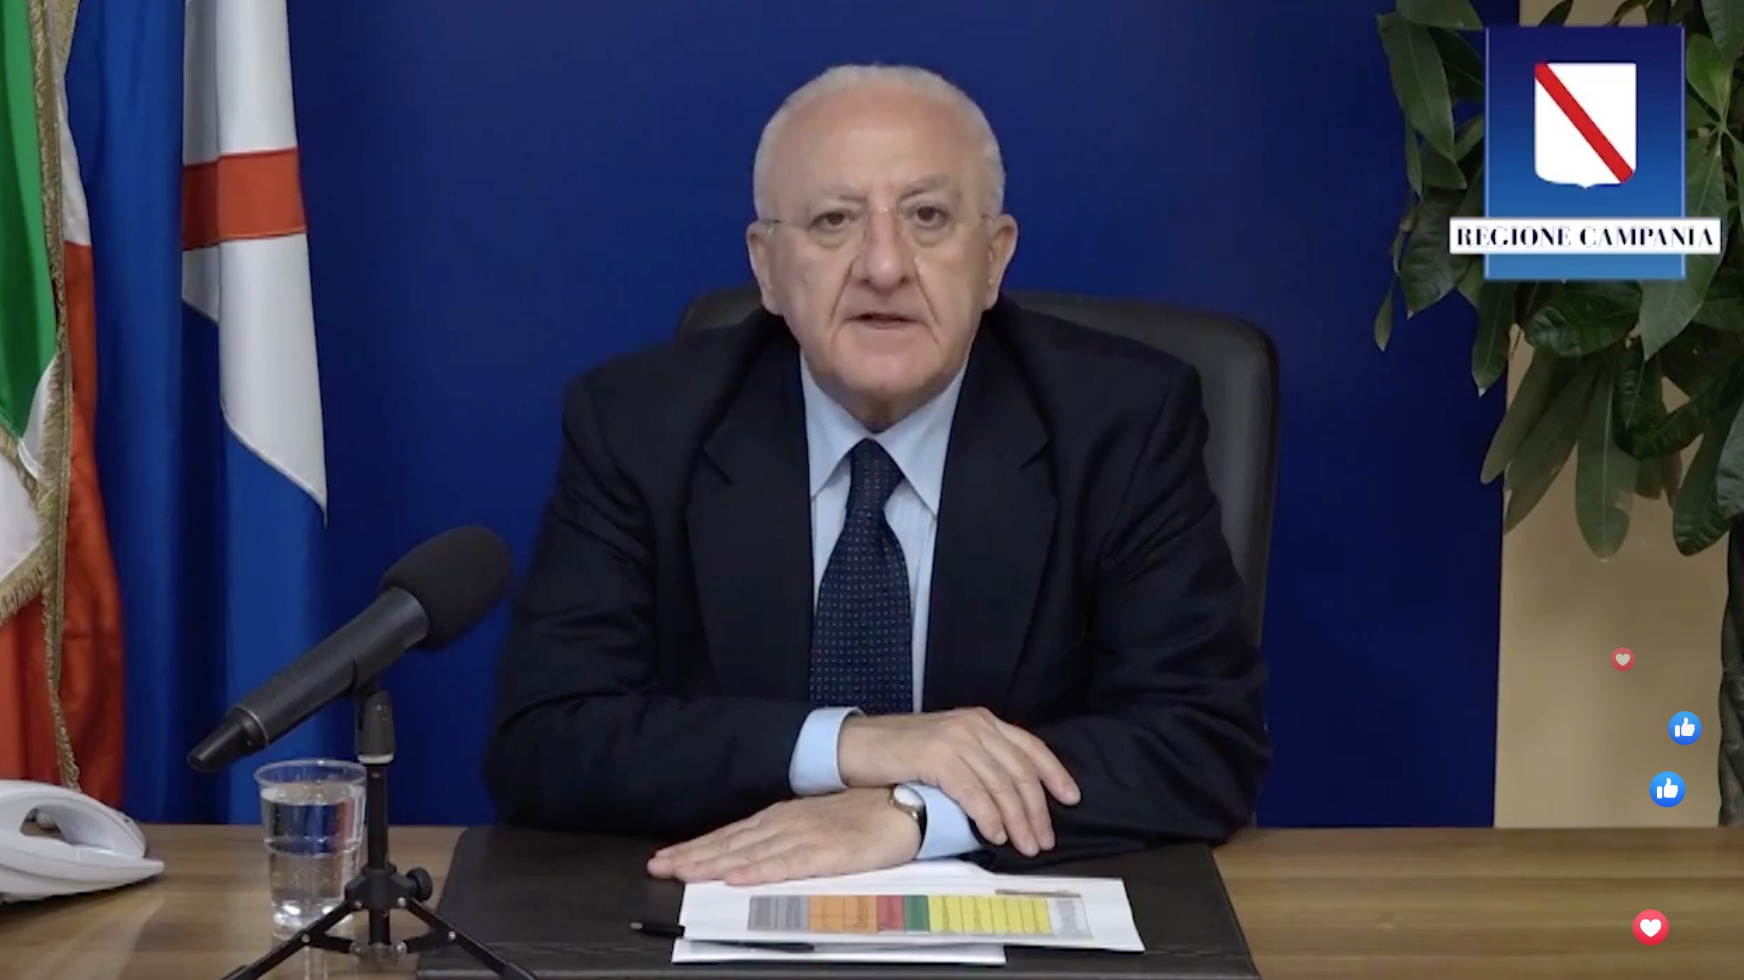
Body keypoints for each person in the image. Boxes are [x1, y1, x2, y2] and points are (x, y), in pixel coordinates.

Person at [482, 63, 1269, 884]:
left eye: (928, 217)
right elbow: (546, 741)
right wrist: (852, 745)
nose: (884, 266)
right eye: (834, 221)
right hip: (725, 916)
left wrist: (917, 810)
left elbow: (1202, 739)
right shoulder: (640, 426)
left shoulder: (1119, 425)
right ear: (767, 268)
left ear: (994, 259)